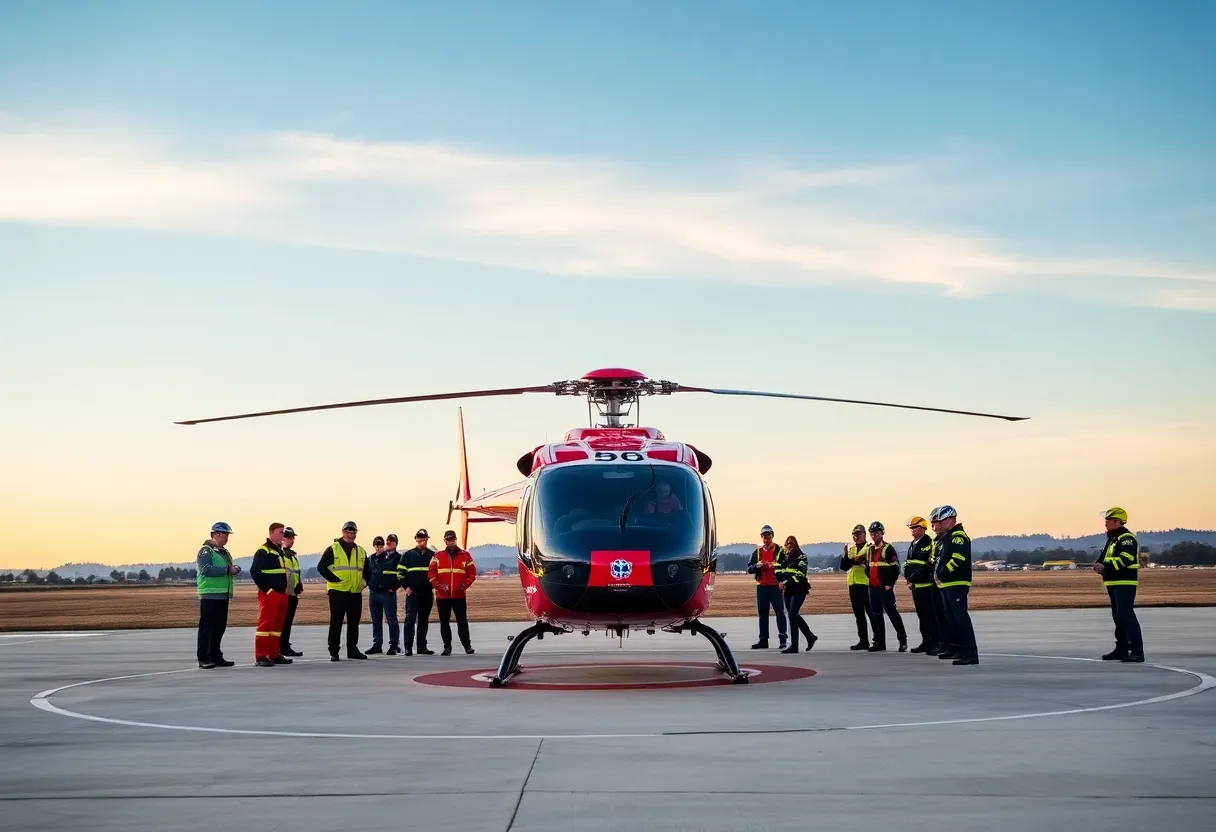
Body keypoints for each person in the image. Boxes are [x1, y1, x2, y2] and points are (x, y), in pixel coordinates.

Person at [1094, 507, 1144, 663]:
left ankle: (1137, 651)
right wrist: (1098, 564)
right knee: (1118, 617)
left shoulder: (1126, 538)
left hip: (1124, 582)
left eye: (1108, 520)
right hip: (1113, 582)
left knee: (1126, 616)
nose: (1106, 524)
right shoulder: (1112, 539)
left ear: (1117, 521)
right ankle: (1121, 648)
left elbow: (1126, 558)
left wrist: (1105, 567)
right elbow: (1104, 558)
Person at [931, 505, 978, 665]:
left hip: (956, 582)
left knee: (960, 617)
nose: (940, 523)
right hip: (947, 584)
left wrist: (943, 572)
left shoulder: (958, 536)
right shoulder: (947, 537)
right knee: (951, 618)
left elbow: (958, 558)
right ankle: (959, 648)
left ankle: (970, 652)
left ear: (951, 519)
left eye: (942, 520)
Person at [317, 521, 369, 661]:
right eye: (349, 530)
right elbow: (321, 567)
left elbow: (368, 571)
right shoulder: (333, 548)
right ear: (343, 531)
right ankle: (334, 651)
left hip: (355, 592)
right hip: (338, 592)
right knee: (336, 622)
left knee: (354, 623)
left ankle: (352, 650)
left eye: (353, 531)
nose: (351, 533)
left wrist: (362, 584)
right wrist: (334, 580)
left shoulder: (361, 551)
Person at [196, 522, 239, 669]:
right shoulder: (206, 551)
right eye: (225, 534)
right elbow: (206, 570)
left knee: (219, 627)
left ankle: (215, 655)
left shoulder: (224, 552)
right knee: (207, 627)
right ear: (216, 534)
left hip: (223, 595)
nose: (227, 538)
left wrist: (232, 570)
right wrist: (228, 569)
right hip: (210, 594)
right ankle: (204, 657)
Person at [428, 530, 477, 655]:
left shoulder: (465, 555)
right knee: (444, 622)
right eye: (448, 540)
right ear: (445, 541)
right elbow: (431, 573)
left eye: (453, 540)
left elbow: (472, 573)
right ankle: (447, 646)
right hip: (442, 596)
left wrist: (464, 585)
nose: (451, 542)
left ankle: (467, 646)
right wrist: (438, 586)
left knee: (462, 621)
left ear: (455, 540)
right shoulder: (437, 556)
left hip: (459, 595)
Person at [250, 523, 292, 667]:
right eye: (280, 532)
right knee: (265, 625)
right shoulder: (263, 551)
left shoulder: (280, 551)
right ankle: (261, 656)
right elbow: (255, 572)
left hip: (282, 593)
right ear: (272, 533)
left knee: (277, 626)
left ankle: (274, 654)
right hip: (270, 594)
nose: (283, 535)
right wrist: (268, 590)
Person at [864, 521, 907, 652]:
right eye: (872, 533)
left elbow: (895, 568)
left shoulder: (888, 548)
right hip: (873, 588)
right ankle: (880, 643)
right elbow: (868, 567)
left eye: (876, 532)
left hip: (884, 588)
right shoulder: (869, 550)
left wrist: (890, 583)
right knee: (876, 616)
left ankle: (903, 640)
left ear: (882, 533)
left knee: (892, 614)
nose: (874, 535)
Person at [747, 525, 788, 650]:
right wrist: (756, 566)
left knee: (780, 613)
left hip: (775, 587)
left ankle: (783, 639)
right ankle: (763, 640)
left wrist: (775, 566)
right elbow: (749, 568)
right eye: (764, 538)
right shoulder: (757, 552)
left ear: (772, 536)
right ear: (761, 538)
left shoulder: (780, 551)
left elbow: (786, 566)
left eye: (768, 537)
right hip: (762, 587)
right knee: (763, 614)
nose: (766, 540)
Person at [903, 516, 939, 654]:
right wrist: (908, 577)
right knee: (922, 616)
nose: (912, 530)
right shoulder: (913, 544)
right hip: (916, 585)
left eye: (914, 527)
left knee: (931, 616)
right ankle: (925, 642)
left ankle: (935, 643)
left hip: (927, 585)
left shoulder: (929, 543)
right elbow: (909, 563)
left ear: (923, 528)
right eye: (910, 528)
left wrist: (914, 577)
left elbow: (928, 565)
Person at [397, 529, 436, 656]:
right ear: (415, 539)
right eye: (419, 540)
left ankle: (421, 646)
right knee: (410, 619)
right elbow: (400, 573)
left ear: (427, 539)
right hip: (413, 593)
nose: (421, 542)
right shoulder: (408, 555)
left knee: (423, 620)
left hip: (426, 593)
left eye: (423, 540)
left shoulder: (432, 555)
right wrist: (406, 587)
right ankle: (408, 647)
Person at [778, 535, 817, 653]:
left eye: (791, 543)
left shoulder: (801, 557)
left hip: (799, 589)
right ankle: (794, 645)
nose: (789, 545)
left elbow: (801, 574)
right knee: (791, 615)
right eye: (787, 543)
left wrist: (785, 582)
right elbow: (778, 571)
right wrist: (780, 582)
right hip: (788, 590)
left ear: (796, 544)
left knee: (794, 613)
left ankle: (810, 636)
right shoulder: (785, 558)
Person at [366, 534, 402, 655]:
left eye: (381, 545)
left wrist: (393, 587)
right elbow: (367, 573)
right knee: (376, 620)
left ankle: (393, 644)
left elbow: (400, 575)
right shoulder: (370, 558)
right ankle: (377, 644)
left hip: (387, 593)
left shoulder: (391, 557)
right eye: (376, 545)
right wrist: (369, 585)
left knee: (391, 619)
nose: (378, 547)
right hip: (374, 592)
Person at [840, 524, 871, 650]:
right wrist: (847, 556)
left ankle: (877, 640)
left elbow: (863, 562)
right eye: (854, 534)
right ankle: (863, 640)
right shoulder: (851, 549)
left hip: (865, 584)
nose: (856, 537)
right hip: (853, 585)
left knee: (871, 614)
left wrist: (853, 560)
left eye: (859, 534)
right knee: (859, 615)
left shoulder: (869, 548)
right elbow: (843, 567)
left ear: (864, 535)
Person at [279, 527, 304, 657]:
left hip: (293, 592)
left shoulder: (292, 555)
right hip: (284, 593)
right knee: (282, 621)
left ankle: (285, 644)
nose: (292, 540)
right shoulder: (280, 554)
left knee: (288, 621)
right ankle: (281, 646)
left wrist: (299, 584)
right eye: (289, 538)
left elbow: (295, 572)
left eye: (292, 538)